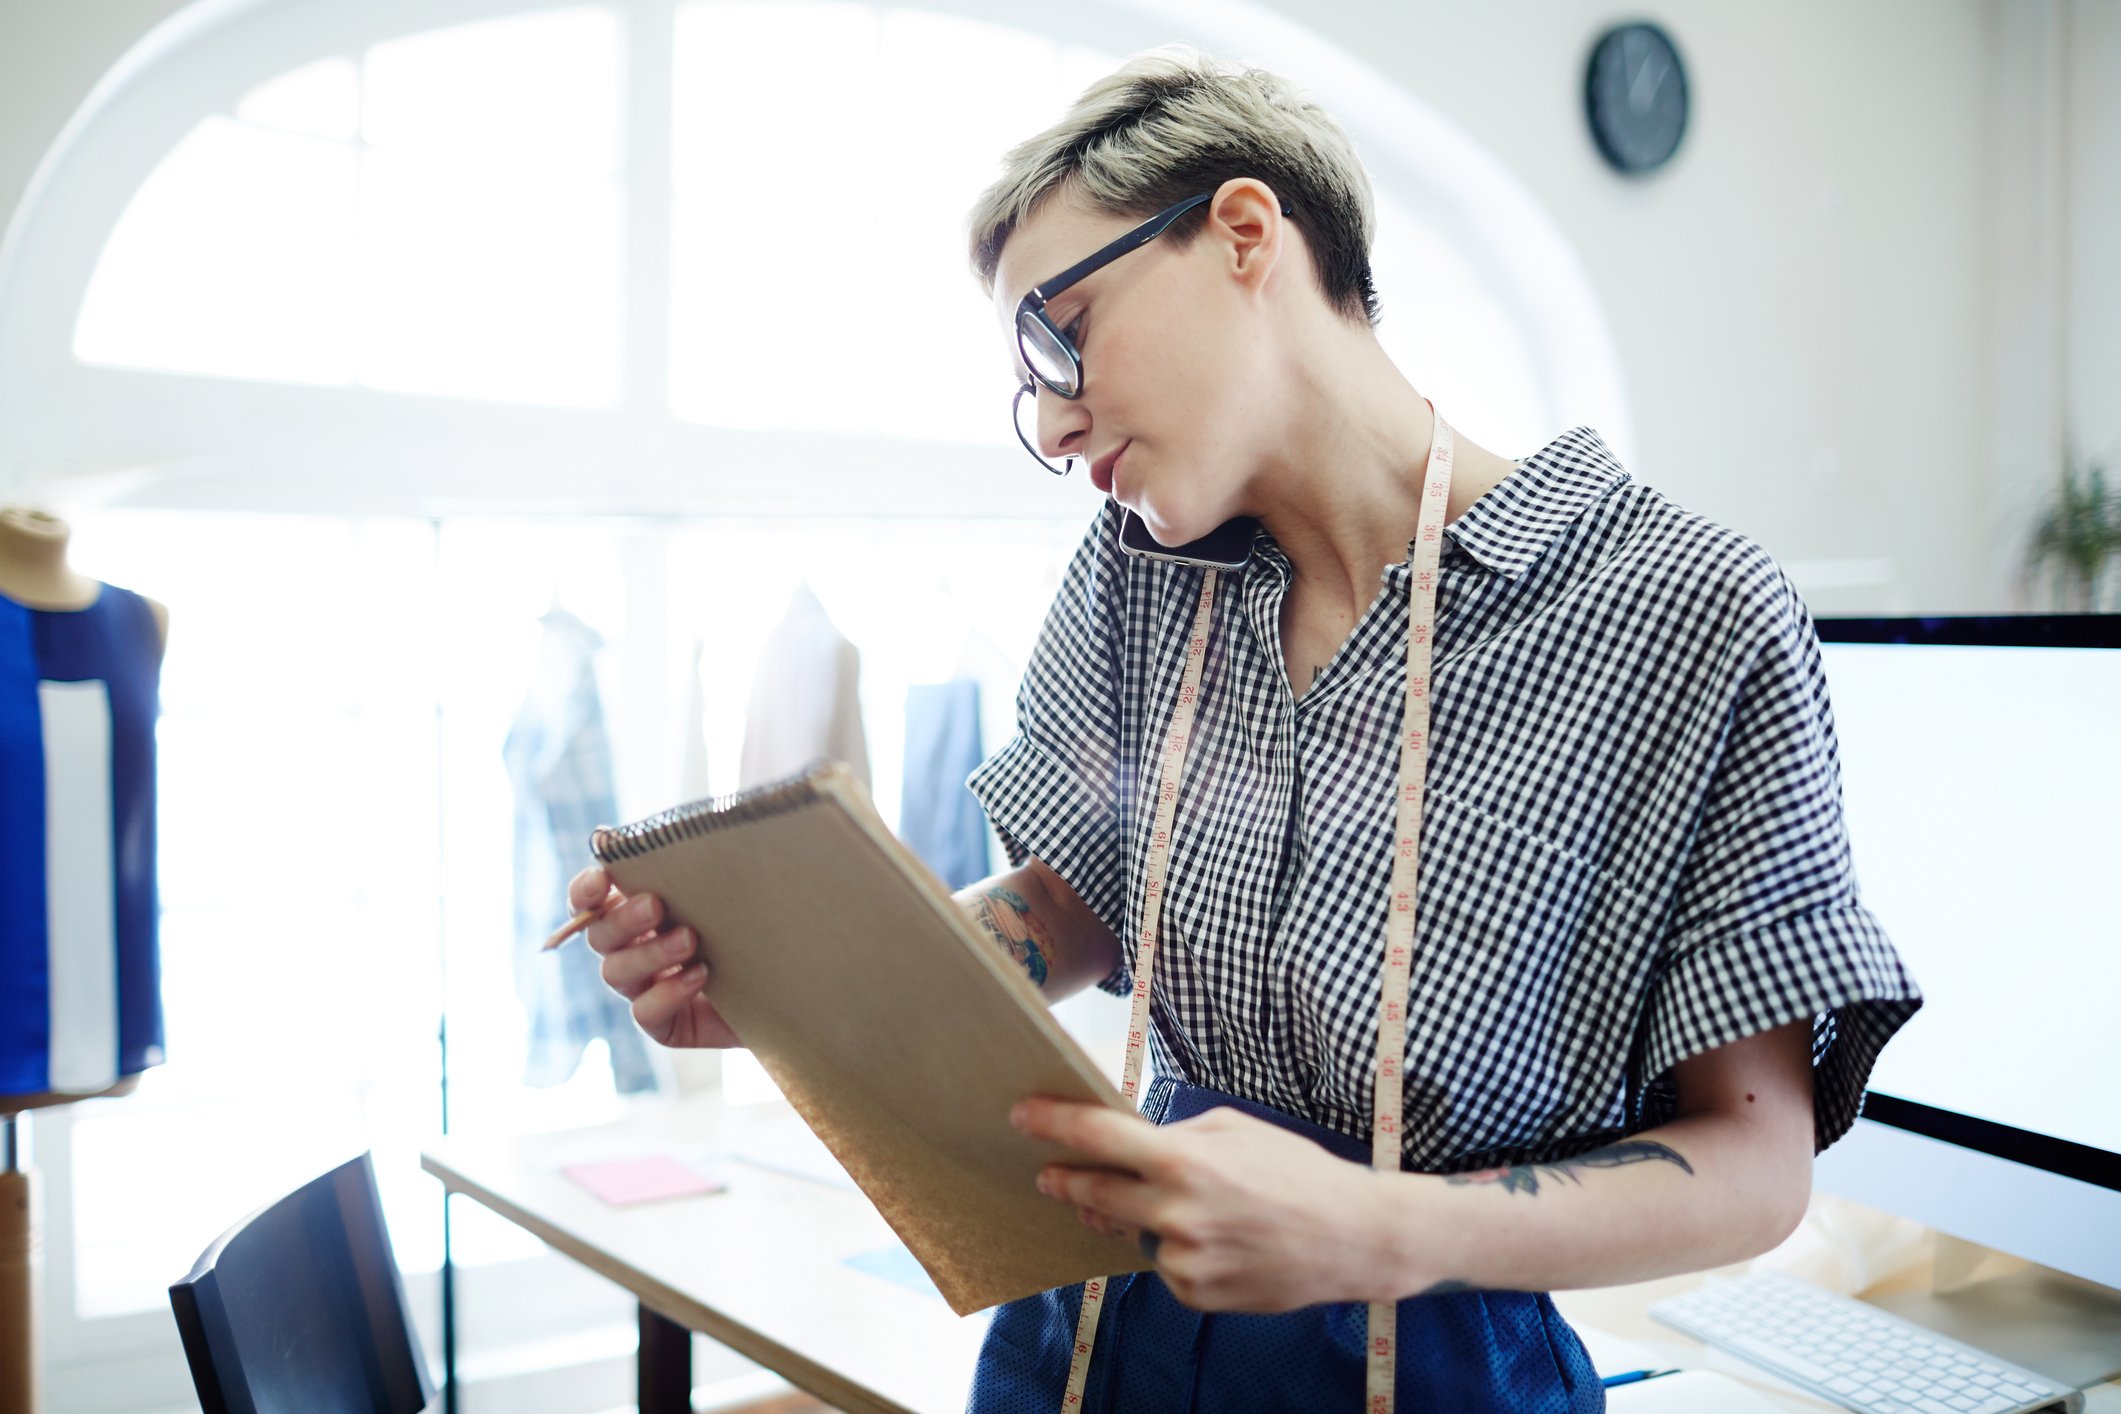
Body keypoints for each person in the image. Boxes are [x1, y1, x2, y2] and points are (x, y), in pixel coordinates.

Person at [568, 42, 1923, 1413]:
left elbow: (1758, 1161)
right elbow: (1072, 905)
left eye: (1059, 334)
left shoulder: (1682, 612)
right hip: (1091, 1337)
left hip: (1433, 1361)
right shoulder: (1138, 573)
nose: (1050, 420)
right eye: (1026, 383)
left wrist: (1391, 1225)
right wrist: (790, 998)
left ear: (1239, 233)